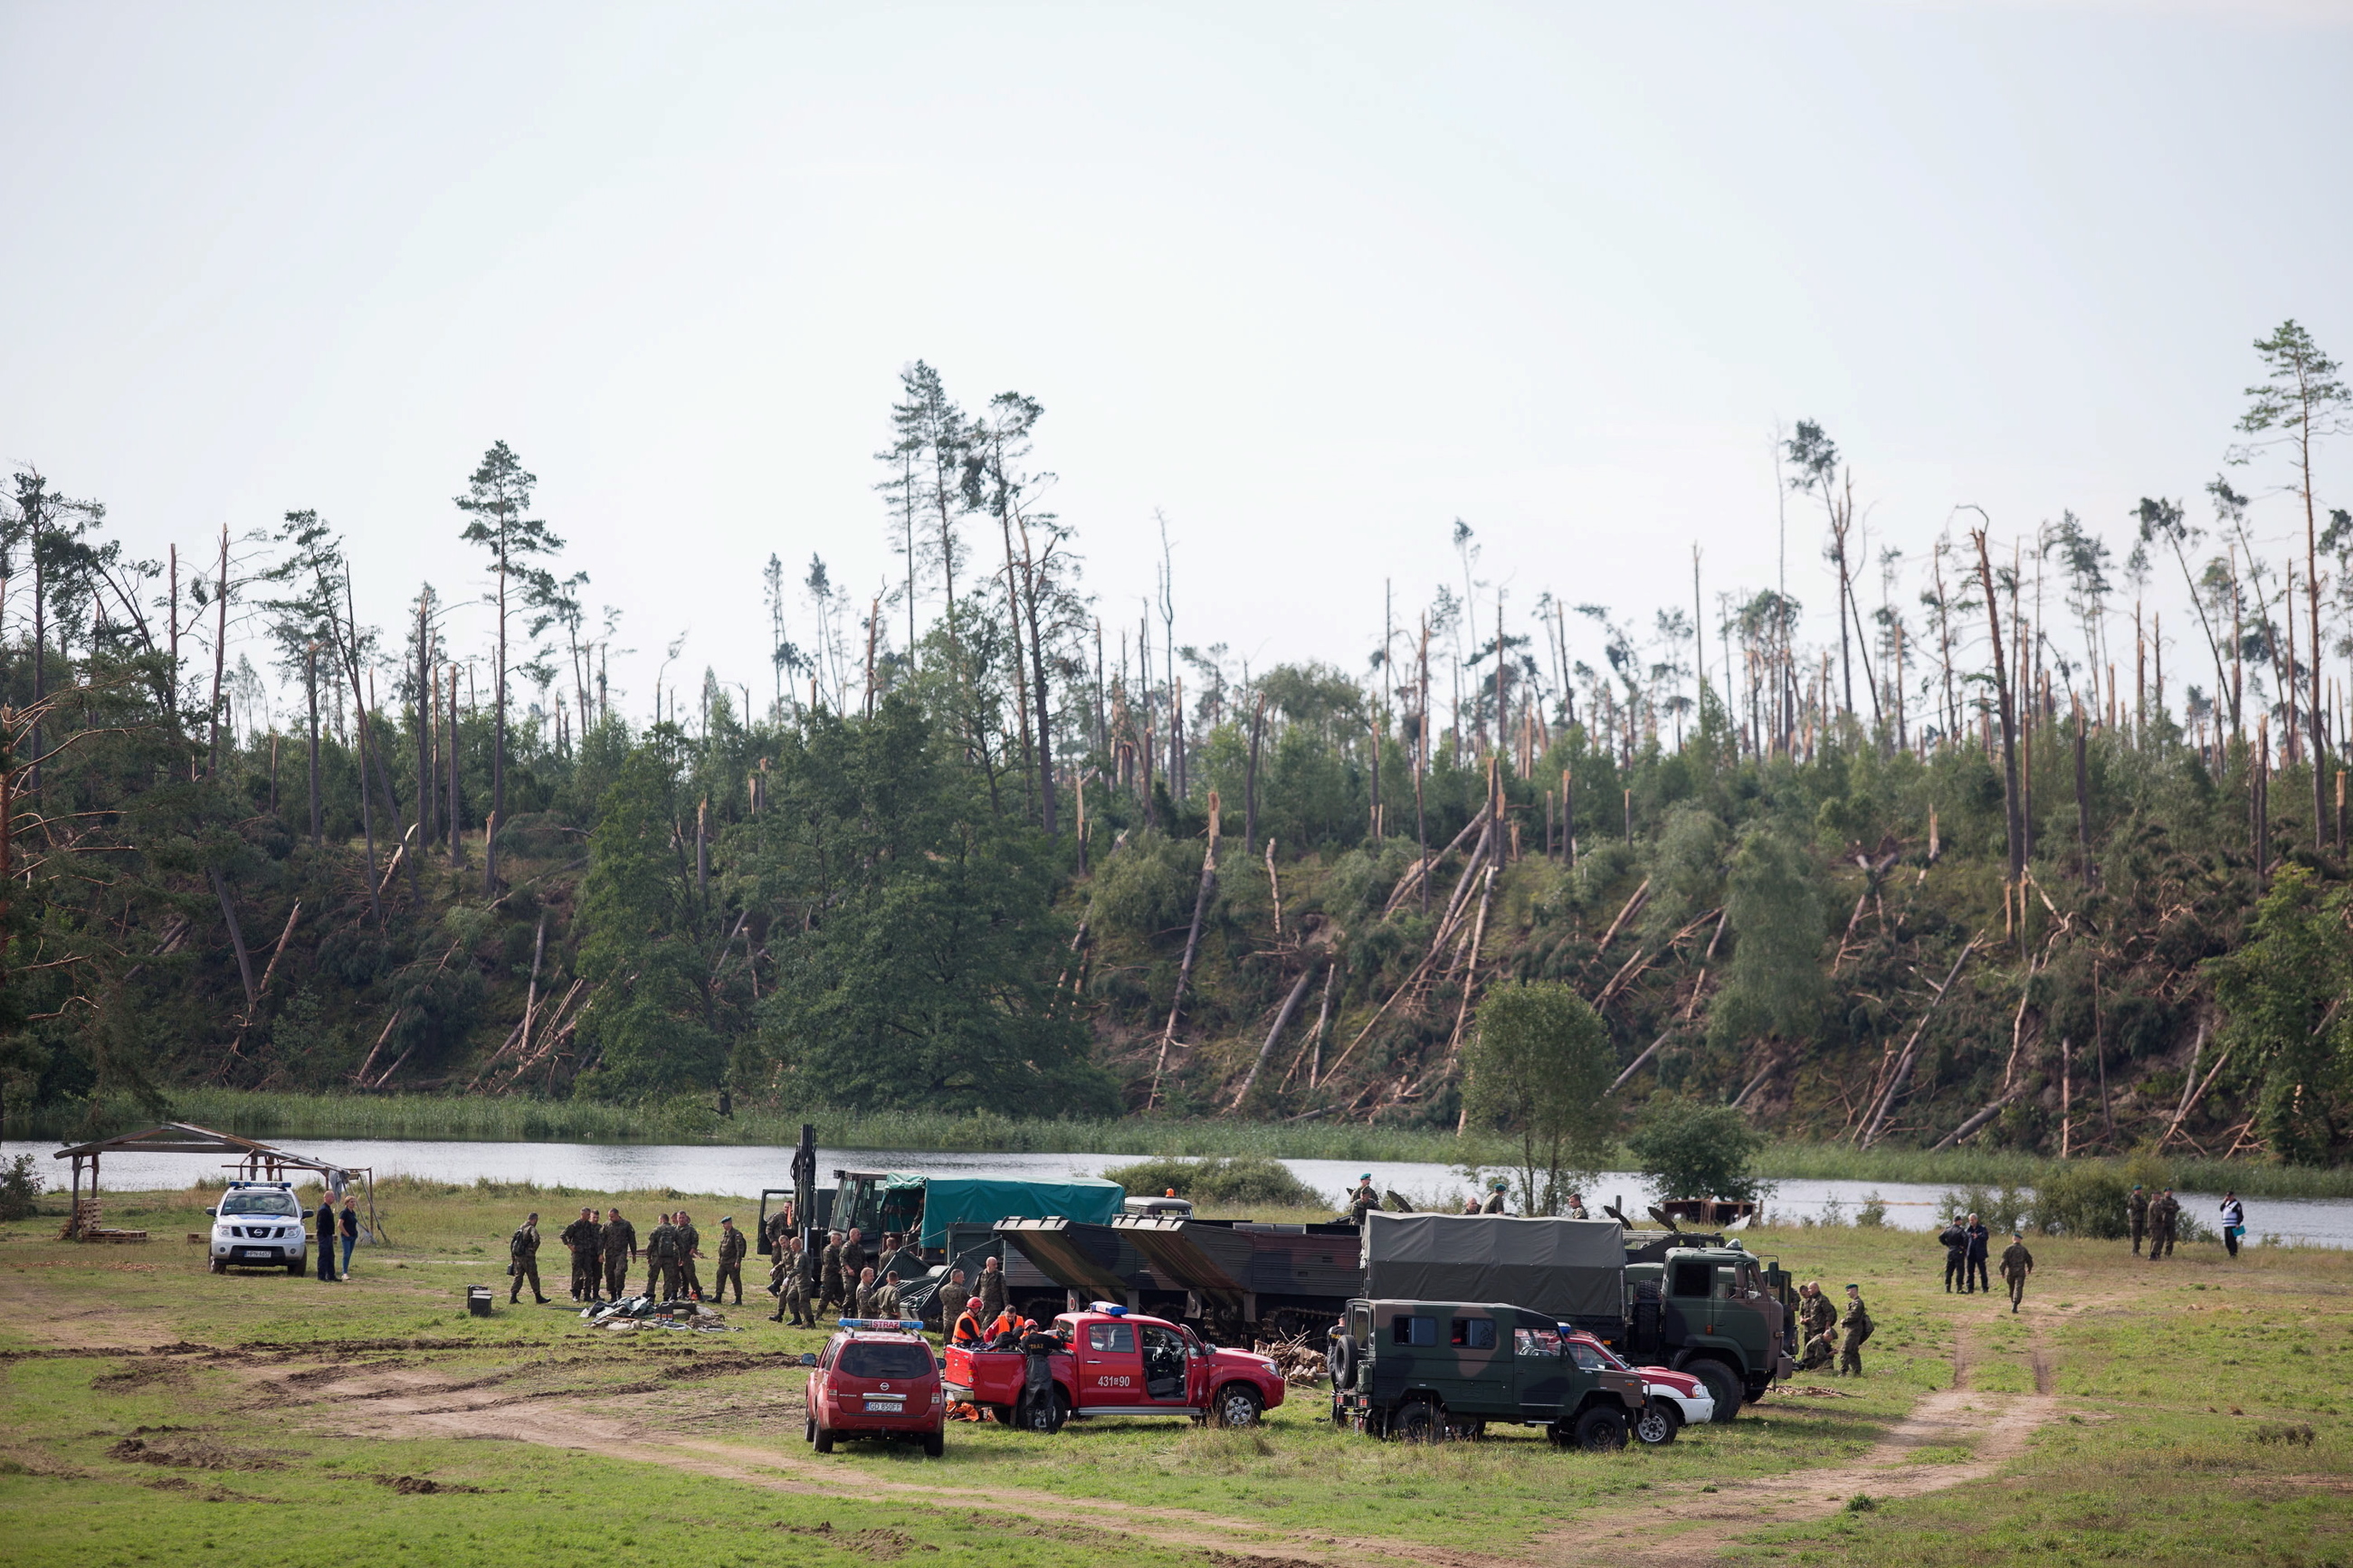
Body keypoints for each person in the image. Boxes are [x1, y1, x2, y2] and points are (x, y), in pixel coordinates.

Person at [560, 1207, 601, 1301]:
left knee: (588, 1274)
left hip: (587, 1253)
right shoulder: (575, 1225)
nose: (589, 1217)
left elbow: (594, 1237)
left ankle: (587, 1295)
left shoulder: (589, 1225)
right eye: (587, 1215)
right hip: (577, 1253)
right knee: (577, 1274)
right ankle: (575, 1294)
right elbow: (563, 1235)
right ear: (582, 1215)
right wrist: (569, 1246)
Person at [510, 1212, 546, 1304]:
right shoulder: (531, 1228)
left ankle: (513, 1297)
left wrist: (513, 1257)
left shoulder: (520, 1228)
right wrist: (533, 1250)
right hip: (528, 1257)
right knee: (533, 1276)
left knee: (518, 1276)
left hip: (518, 1256)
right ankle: (538, 1297)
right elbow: (536, 1239)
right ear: (535, 1220)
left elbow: (513, 1242)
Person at [1836, 1283, 1872, 1377]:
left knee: (1845, 1350)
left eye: (1848, 1291)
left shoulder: (1858, 1303)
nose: (1847, 1293)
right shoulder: (1854, 1303)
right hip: (1851, 1331)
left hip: (1853, 1332)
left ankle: (1843, 1371)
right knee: (1853, 1352)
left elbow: (1854, 1316)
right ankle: (1857, 1372)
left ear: (1854, 1290)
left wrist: (1844, 1321)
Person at [601, 1208, 637, 1301]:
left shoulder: (626, 1225)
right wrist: (600, 1253)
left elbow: (632, 1240)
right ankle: (612, 1294)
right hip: (609, 1253)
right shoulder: (606, 1225)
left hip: (621, 1253)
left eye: (612, 1216)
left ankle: (619, 1293)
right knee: (609, 1274)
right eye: (609, 1216)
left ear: (617, 1215)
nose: (610, 1218)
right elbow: (601, 1240)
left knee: (619, 1272)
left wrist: (634, 1253)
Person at [643, 1212, 677, 1299]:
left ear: (662, 1219)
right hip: (669, 1257)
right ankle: (666, 1297)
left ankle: (650, 1296)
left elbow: (650, 1245)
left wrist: (648, 1256)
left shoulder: (657, 1229)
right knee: (668, 1279)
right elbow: (679, 1244)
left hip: (657, 1257)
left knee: (652, 1277)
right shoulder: (673, 1230)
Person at [714, 1216, 747, 1306]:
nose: (723, 1226)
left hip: (732, 1261)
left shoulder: (736, 1234)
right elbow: (722, 1247)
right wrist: (720, 1258)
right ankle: (718, 1296)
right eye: (723, 1224)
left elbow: (739, 1249)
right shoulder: (724, 1234)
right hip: (724, 1261)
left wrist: (738, 1261)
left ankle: (738, 1299)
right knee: (720, 1277)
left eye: (725, 1224)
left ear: (730, 1224)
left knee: (735, 1280)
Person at [1999, 1231, 2034, 1312]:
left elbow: (2003, 1261)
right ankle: (2015, 1303)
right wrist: (2029, 1269)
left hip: (2011, 1272)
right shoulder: (2024, 1249)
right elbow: (2029, 1260)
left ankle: (2013, 1302)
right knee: (2018, 1287)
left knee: (2012, 1288)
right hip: (2020, 1272)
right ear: (2020, 1240)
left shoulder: (2008, 1249)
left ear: (2013, 1239)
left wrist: (2002, 1271)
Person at [676, 1211, 704, 1298]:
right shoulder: (674, 1229)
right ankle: (683, 1292)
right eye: (679, 1218)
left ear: (686, 1218)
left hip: (686, 1255)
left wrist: (689, 1255)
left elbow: (695, 1243)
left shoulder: (690, 1229)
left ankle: (698, 1293)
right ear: (677, 1219)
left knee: (690, 1275)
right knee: (680, 1276)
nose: (681, 1220)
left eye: (683, 1218)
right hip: (676, 1256)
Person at [1938, 1215, 1968, 1294]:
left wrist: (1947, 1244)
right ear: (1958, 1221)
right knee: (1960, 1270)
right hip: (1958, 1252)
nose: (1961, 1222)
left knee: (1949, 1270)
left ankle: (1947, 1288)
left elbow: (1940, 1237)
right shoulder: (1960, 1230)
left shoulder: (1948, 1230)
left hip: (1951, 1251)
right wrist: (1964, 1247)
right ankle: (1959, 1289)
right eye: (1960, 1220)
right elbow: (1966, 1238)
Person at [937, 1267, 971, 1335]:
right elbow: (969, 1303)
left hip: (947, 1319)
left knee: (947, 1338)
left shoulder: (943, 1289)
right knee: (959, 1338)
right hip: (959, 1319)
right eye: (962, 1277)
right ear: (956, 1277)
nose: (963, 1279)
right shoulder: (962, 1290)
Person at [1963, 1213, 1991, 1295]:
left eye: (1972, 1220)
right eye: (1970, 1220)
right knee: (1970, 1272)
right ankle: (1970, 1288)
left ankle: (1985, 1288)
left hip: (1980, 1254)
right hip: (1970, 1254)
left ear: (1976, 1220)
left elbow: (1985, 1237)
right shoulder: (1968, 1229)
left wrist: (1978, 1236)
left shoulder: (1982, 1228)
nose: (1971, 1222)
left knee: (1982, 1272)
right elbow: (1965, 1239)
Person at [820, 1230, 847, 1311]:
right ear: (832, 1240)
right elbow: (828, 1264)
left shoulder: (839, 1250)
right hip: (829, 1277)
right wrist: (839, 1270)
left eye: (840, 1239)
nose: (840, 1241)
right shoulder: (828, 1250)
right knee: (825, 1297)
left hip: (837, 1277)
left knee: (841, 1295)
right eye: (838, 1240)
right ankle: (818, 1314)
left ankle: (844, 1311)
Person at [316, 1192, 339, 1283]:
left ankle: (331, 1275)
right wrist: (325, 1234)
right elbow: (320, 1225)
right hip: (324, 1236)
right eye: (332, 1196)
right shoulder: (323, 1210)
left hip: (328, 1236)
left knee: (330, 1256)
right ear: (326, 1197)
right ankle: (321, 1276)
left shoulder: (328, 1208)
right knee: (324, 1255)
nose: (333, 1198)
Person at [976, 1255, 1007, 1320]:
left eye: (996, 1264)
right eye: (994, 1264)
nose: (996, 1266)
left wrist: (1006, 1306)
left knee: (986, 1324)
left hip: (994, 1306)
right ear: (988, 1265)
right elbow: (976, 1289)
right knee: (981, 1323)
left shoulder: (999, 1276)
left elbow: (1004, 1292)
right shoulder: (981, 1274)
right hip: (982, 1305)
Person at [338, 1196, 360, 1280]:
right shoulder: (344, 1212)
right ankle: (344, 1273)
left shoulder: (353, 1213)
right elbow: (340, 1224)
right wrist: (346, 1234)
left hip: (353, 1236)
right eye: (351, 1202)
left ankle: (346, 1270)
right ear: (347, 1203)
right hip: (346, 1237)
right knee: (346, 1254)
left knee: (349, 1255)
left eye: (354, 1202)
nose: (353, 1203)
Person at [2220, 1192, 2246, 1259]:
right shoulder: (2226, 1203)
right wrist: (2224, 1202)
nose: (2228, 1197)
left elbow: (2240, 1215)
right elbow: (2221, 1209)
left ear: (2233, 1196)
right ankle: (2230, 1254)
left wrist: (2238, 1223)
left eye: (2229, 1196)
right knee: (2227, 1242)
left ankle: (2234, 1255)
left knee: (2232, 1241)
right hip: (2226, 1226)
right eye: (2227, 1196)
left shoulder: (2236, 1204)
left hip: (2233, 1225)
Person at [2127, 1183, 2151, 1257]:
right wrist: (2143, 1207)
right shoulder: (2133, 1198)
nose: (2139, 1191)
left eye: (2140, 1190)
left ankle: (2137, 1250)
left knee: (2139, 1236)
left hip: (2140, 1218)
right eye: (2137, 1190)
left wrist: (2143, 1207)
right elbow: (2137, 1206)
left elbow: (2147, 1206)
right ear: (2134, 1191)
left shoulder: (2141, 1198)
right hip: (2134, 1219)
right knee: (2135, 1235)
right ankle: (2134, 1251)